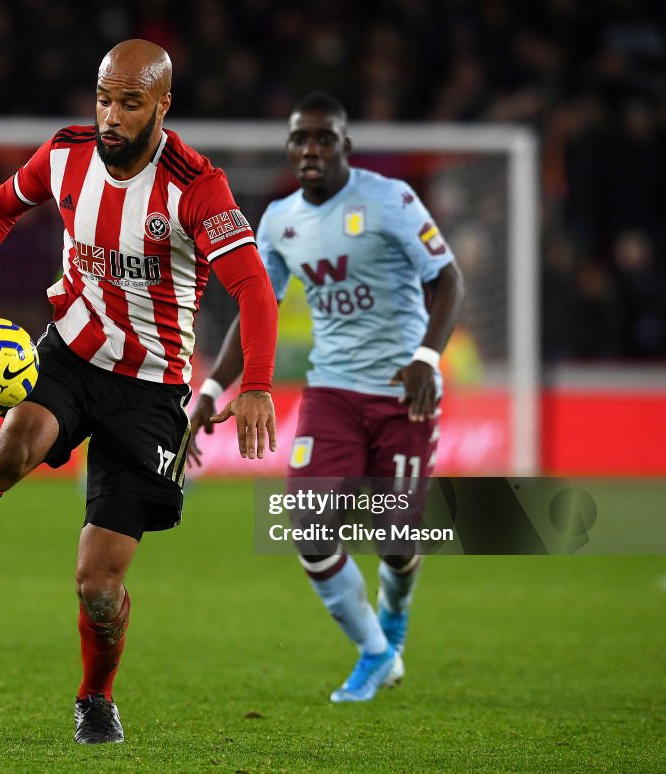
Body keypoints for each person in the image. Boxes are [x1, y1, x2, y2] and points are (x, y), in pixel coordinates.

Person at [0, 40, 279, 744]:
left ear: (162, 105)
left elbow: (253, 286)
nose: (111, 115)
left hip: (151, 392)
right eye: (104, 98)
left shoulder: (195, 185)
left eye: (130, 103)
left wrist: (257, 386)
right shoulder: (65, 154)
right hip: (69, 352)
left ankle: (96, 695)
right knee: (11, 450)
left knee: (98, 588)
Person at [189, 92, 464, 703]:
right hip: (332, 391)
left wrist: (425, 356)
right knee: (310, 529)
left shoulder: (390, 199)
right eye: (299, 139)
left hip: (403, 390)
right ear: (289, 148)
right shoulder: (280, 219)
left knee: (397, 541)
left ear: (345, 146)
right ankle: (374, 653)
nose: (310, 149)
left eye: (322, 138)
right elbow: (257, 308)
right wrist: (211, 388)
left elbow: (448, 278)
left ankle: (393, 617)